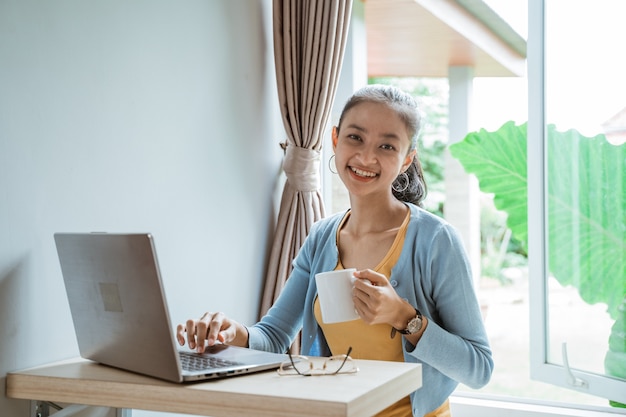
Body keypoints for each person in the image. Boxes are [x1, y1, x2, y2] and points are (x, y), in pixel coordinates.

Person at [177, 84, 493, 417]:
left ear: (406, 160)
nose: (366, 157)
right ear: (334, 139)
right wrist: (232, 333)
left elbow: (479, 369)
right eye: (355, 137)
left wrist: (404, 317)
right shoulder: (321, 237)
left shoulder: (436, 241)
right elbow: (272, 335)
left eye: (387, 145)